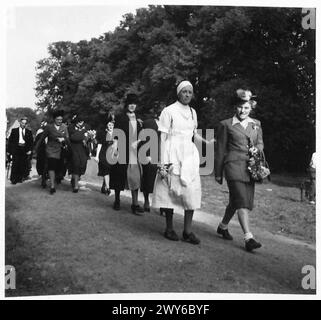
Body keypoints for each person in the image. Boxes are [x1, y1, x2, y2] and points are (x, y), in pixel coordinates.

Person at [152, 80, 213, 245]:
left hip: (189, 155)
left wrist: (207, 142)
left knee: (191, 191)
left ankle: (187, 231)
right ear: (178, 93)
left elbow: (193, 134)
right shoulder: (168, 111)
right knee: (170, 191)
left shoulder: (193, 112)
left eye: (190, 92)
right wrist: (162, 161)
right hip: (171, 153)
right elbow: (163, 137)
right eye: (184, 91)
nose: (187, 94)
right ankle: (169, 228)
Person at [215, 88, 264, 252]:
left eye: (246, 108)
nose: (242, 111)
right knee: (241, 200)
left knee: (236, 201)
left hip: (250, 167)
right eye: (240, 107)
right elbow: (220, 149)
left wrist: (257, 149)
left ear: (251, 108)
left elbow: (261, 143)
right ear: (235, 107)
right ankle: (248, 238)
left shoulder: (256, 124)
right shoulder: (226, 124)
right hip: (233, 165)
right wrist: (218, 172)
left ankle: (222, 226)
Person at [109, 93, 144, 215]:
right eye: (130, 103)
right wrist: (115, 147)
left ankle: (135, 204)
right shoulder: (120, 117)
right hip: (123, 149)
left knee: (135, 176)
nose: (132, 106)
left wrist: (138, 142)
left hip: (134, 151)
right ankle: (117, 200)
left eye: (134, 103)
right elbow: (116, 134)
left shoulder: (139, 119)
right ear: (127, 104)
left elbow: (143, 135)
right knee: (119, 174)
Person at [35, 110, 69, 194]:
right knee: (51, 167)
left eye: (61, 120)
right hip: (51, 150)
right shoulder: (49, 127)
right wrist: (36, 148)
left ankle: (55, 178)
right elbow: (42, 138)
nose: (60, 121)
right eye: (58, 120)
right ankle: (52, 186)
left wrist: (63, 139)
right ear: (54, 119)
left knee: (60, 167)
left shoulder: (64, 127)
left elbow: (67, 138)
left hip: (61, 150)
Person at [140, 110, 160, 212]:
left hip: (164, 155)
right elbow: (143, 139)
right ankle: (146, 201)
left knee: (163, 181)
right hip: (150, 155)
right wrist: (146, 154)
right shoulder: (149, 123)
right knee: (147, 178)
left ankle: (163, 206)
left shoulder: (170, 125)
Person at [7, 117, 34, 184]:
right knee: (15, 163)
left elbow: (31, 142)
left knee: (22, 164)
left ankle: (20, 178)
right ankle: (13, 179)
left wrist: (30, 150)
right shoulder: (14, 130)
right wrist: (8, 151)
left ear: (26, 124)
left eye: (25, 123)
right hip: (16, 148)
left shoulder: (29, 132)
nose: (23, 124)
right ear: (20, 123)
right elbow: (10, 141)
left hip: (24, 149)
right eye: (22, 123)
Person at [94, 115, 115, 196]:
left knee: (110, 171)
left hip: (112, 155)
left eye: (112, 125)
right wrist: (96, 156)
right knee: (106, 170)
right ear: (107, 125)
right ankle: (108, 188)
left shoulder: (116, 134)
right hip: (103, 154)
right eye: (109, 125)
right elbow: (99, 145)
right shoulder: (104, 134)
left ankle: (104, 186)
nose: (110, 126)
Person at [68, 115, 89, 193]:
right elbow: (74, 138)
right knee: (76, 165)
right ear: (76, 121)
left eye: (82, 121)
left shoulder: (86, 127)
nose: (81, 123)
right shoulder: (71, 127)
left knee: (83, 165)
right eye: (80, 121)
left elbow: (88, 138)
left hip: (83, 150)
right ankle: (76, 186)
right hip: (74, 149)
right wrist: (83, 134)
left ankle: (74, 179)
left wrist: (89, 137)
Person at [34, 120, 48, 188]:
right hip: (42, 153)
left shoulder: (52, 134)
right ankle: (43, 177)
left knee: (47, 166)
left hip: (50, 152)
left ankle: (44, 179)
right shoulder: (40, 135)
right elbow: (36, 144)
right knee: (42, 166)